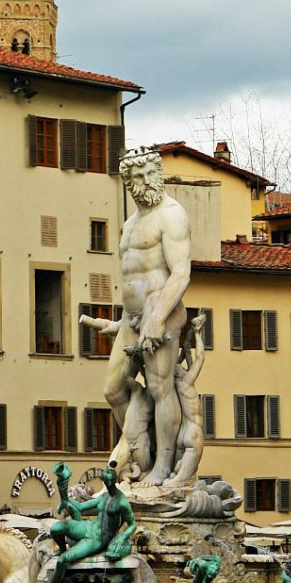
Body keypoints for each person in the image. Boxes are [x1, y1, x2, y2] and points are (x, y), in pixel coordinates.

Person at [103, 149, 194, 486]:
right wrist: (123, 321)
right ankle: (142, 452)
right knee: (113, 390)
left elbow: (181, 273)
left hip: (163, 313)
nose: (143, 182)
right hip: (131, 319)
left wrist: (156, 317)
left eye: (148, 174)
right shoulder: (129, 224)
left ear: (158, 173)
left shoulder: (172, 215)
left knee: (159, 388)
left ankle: (163, 466)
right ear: (127, 183)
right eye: (135, 177)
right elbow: (131, 277)